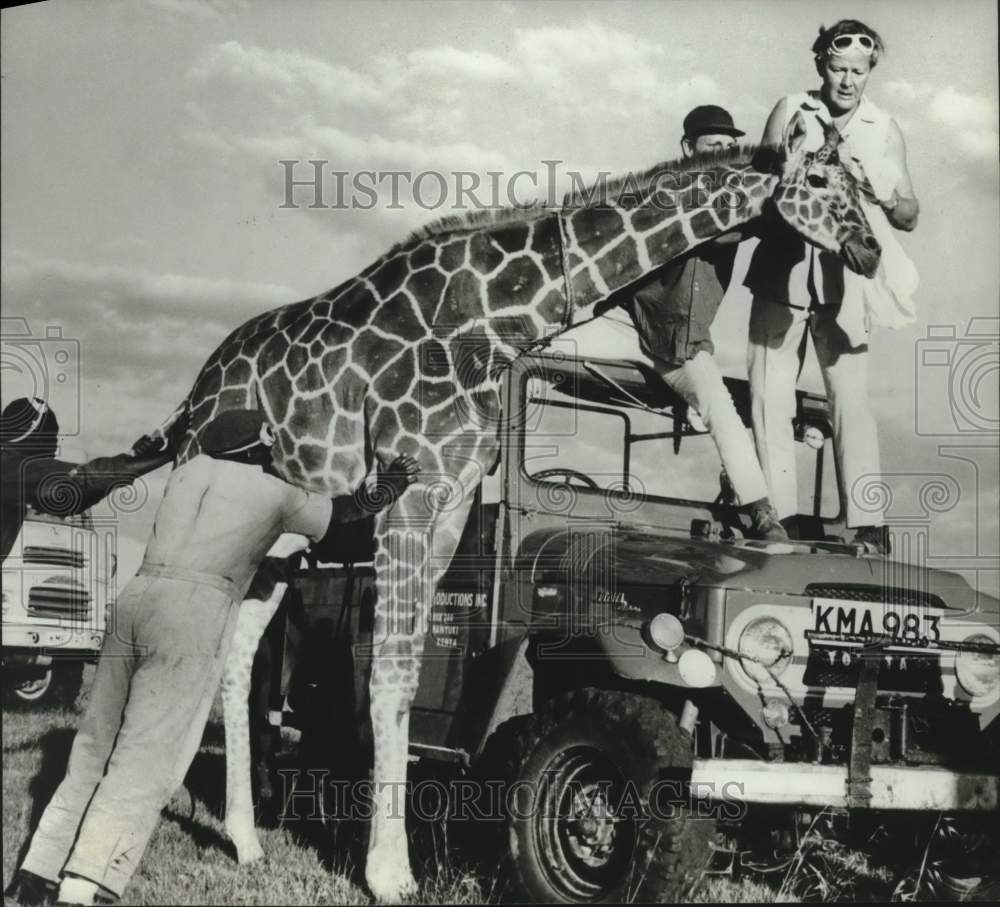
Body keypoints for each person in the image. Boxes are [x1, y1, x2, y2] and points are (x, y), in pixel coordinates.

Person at [5, 409, 419, 907]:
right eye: (268, 442)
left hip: (135, 597)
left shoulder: (185, 474)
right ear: (257, 445)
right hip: (193, 612)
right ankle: (85, 885)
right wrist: (388, 487)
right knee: (147, 757)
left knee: (93, 748)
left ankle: (36, 874)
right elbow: (346, 517)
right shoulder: (276, 493)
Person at [557, 105, 789, 541]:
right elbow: (712, 231)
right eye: (711, 147)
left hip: (683, 344)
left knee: (720, 409)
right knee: (542, 350)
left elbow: (749, 224)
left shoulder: (741, 201)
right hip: (630, 324)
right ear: (688, 150)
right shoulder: (667, 194)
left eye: (727, 147)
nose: (721, 155)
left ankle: (762, 511)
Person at [745, 20, 919, 555]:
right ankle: (783, 518)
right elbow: (764, 180)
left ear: (870, 73)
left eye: (858, 72)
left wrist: (886, 199)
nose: (847, 81)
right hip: (782, 269)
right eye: (838, 69)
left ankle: (868, 523)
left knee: (850, 397)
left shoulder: (884, 127)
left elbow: (910, 213)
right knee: (769, 395)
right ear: (821, 63)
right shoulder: (792, 108)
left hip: (847, 282)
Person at [0, 397, 169, 563]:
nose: (54, 445)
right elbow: (81, 481)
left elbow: (69, 497)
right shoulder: (11, 467)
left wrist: (132, 457)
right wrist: (153, 458)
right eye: (50, 436)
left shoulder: (14, 476)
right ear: (31, 432)